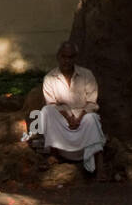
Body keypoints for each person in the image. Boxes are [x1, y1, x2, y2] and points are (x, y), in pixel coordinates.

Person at [29, 41, 106, 178]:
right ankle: (53, 155)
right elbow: (51, 104)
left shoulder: (87, 75)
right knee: (47, 111)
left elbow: (92, 103)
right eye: (64, 57)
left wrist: (79, 117)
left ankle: (100, 165)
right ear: (58, 57)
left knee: (92, 118)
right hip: (62, 119)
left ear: (75, 58)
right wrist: (68, 117)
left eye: (70, 57)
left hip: (83, 118)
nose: (67, 60)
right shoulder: (50, 78)